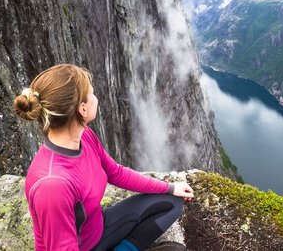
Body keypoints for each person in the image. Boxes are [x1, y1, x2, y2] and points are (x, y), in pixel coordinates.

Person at [13, 64, 194, 251]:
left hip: (98, 228)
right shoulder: (53, 185)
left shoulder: (85, 136)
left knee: (172, 202)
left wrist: (169, 187)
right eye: (92, 93)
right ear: (82, 109)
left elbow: (115, 172)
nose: (96, 98)